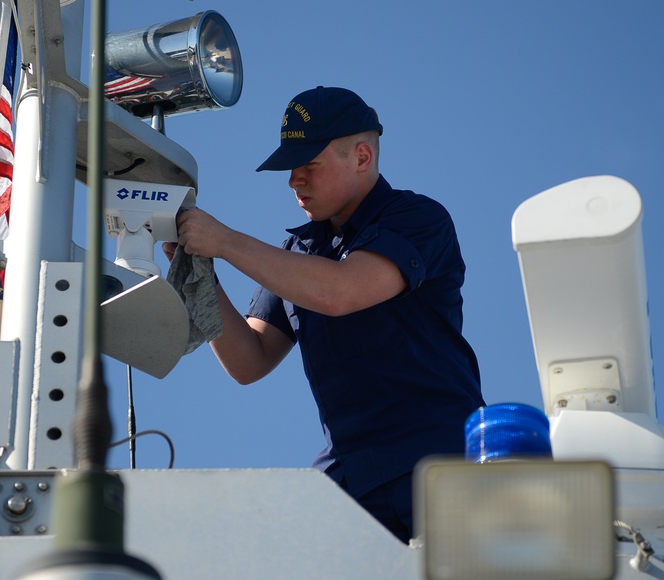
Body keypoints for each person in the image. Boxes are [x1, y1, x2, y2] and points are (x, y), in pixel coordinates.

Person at [170, 86, 485, 543]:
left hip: (438, 463)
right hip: (350, 481)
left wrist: (224, 241)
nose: (294, 180)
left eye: (308, 165)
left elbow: (340, 291)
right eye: (290, 168)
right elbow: (249, 359)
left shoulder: (417, 218)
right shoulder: (300, 251)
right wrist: (201, 272)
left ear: (362, 156)